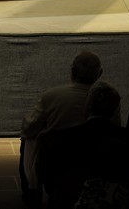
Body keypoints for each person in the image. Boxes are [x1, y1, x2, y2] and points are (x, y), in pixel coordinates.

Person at [20, 51, 103, 196]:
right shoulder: (108, 97)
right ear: (100, 73)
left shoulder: (52, 96)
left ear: (72, 72)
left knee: (27, 140)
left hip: (54, 161)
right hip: (96, 158)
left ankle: (30, 191)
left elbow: (29, 127)